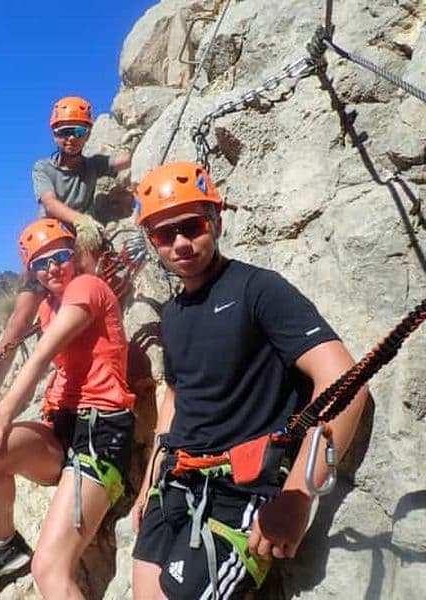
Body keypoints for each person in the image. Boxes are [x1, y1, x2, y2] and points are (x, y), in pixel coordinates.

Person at [130, 162, 369, 599]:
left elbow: (344, 380)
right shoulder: (174, 315)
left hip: (238, 491)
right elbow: (176, 399)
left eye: (193, 226)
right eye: (165, 234)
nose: (181, 243)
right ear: (152, 242)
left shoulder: (259, 290)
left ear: (216, 220)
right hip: (177, 484)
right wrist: (149, 484)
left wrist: (297, 496)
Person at [0, 218, 136, 597]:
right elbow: (23, 341)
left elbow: (40, 356)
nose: (53, 267)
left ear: (74, 256)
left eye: (60, 256)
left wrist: (1, 411)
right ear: (32, 272)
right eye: (41, 262)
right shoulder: (49, 306)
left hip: (100, 435)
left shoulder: (87, 287)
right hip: (62, 428)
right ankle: (2, 544)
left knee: (50, 569)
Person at [0, 95, 132, 417]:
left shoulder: (92, 165)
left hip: (74, 249)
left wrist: (131, 143)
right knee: (19, 322)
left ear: (88, 133)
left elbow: (121, 162)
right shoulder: (43, 167)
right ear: (54, 134)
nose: (71, 138)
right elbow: (49, 203)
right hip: (46, 249)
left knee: (91, 279)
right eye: (64, 131)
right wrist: (80, 219)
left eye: (78, 131)